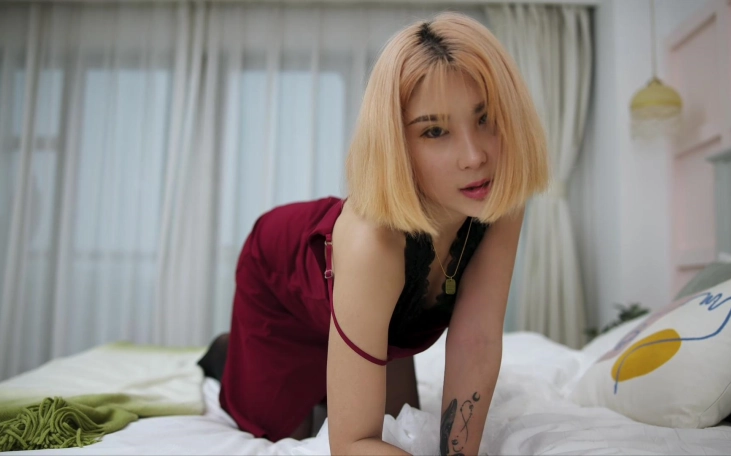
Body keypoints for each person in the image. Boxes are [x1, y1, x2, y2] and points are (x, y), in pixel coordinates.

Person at [197, 11, 548, 455]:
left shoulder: (496, 192)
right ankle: (227, 355)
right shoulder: (374, 244)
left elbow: (476, 338)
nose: (474, 156)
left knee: (402, 424)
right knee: (277, 427)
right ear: (396, 143)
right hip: (281, 276)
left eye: (485, 118)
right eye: (435, 130)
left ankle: (343, 349)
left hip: (381, 308)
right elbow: (350, 445)